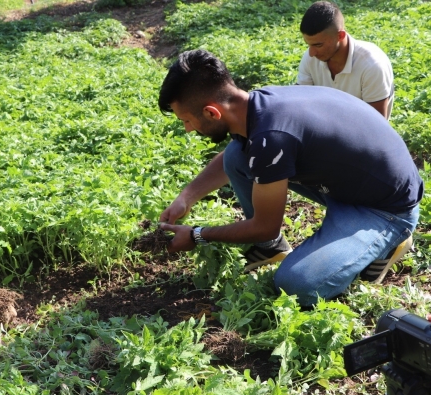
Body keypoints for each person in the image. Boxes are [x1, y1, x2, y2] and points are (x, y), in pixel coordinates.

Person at [157, 49, 422, 307]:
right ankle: (270, 249)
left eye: (187, 120)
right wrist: (186, 197)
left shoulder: (271, 138)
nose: (188, 129)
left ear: (212, 112)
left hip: (385, 208)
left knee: (295, 286)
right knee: (237, 154)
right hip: (352, 181)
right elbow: (240, 154)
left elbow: (265, 225)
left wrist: (197, 235)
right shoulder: (258, 104)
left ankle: (389, 241)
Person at [297, 1, 394, 119]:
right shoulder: (311, 57)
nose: (311, 53)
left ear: (340, 36)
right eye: (308, 45)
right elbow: (300, 104)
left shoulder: (372, 65)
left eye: (318, 45)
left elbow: (376, 125)